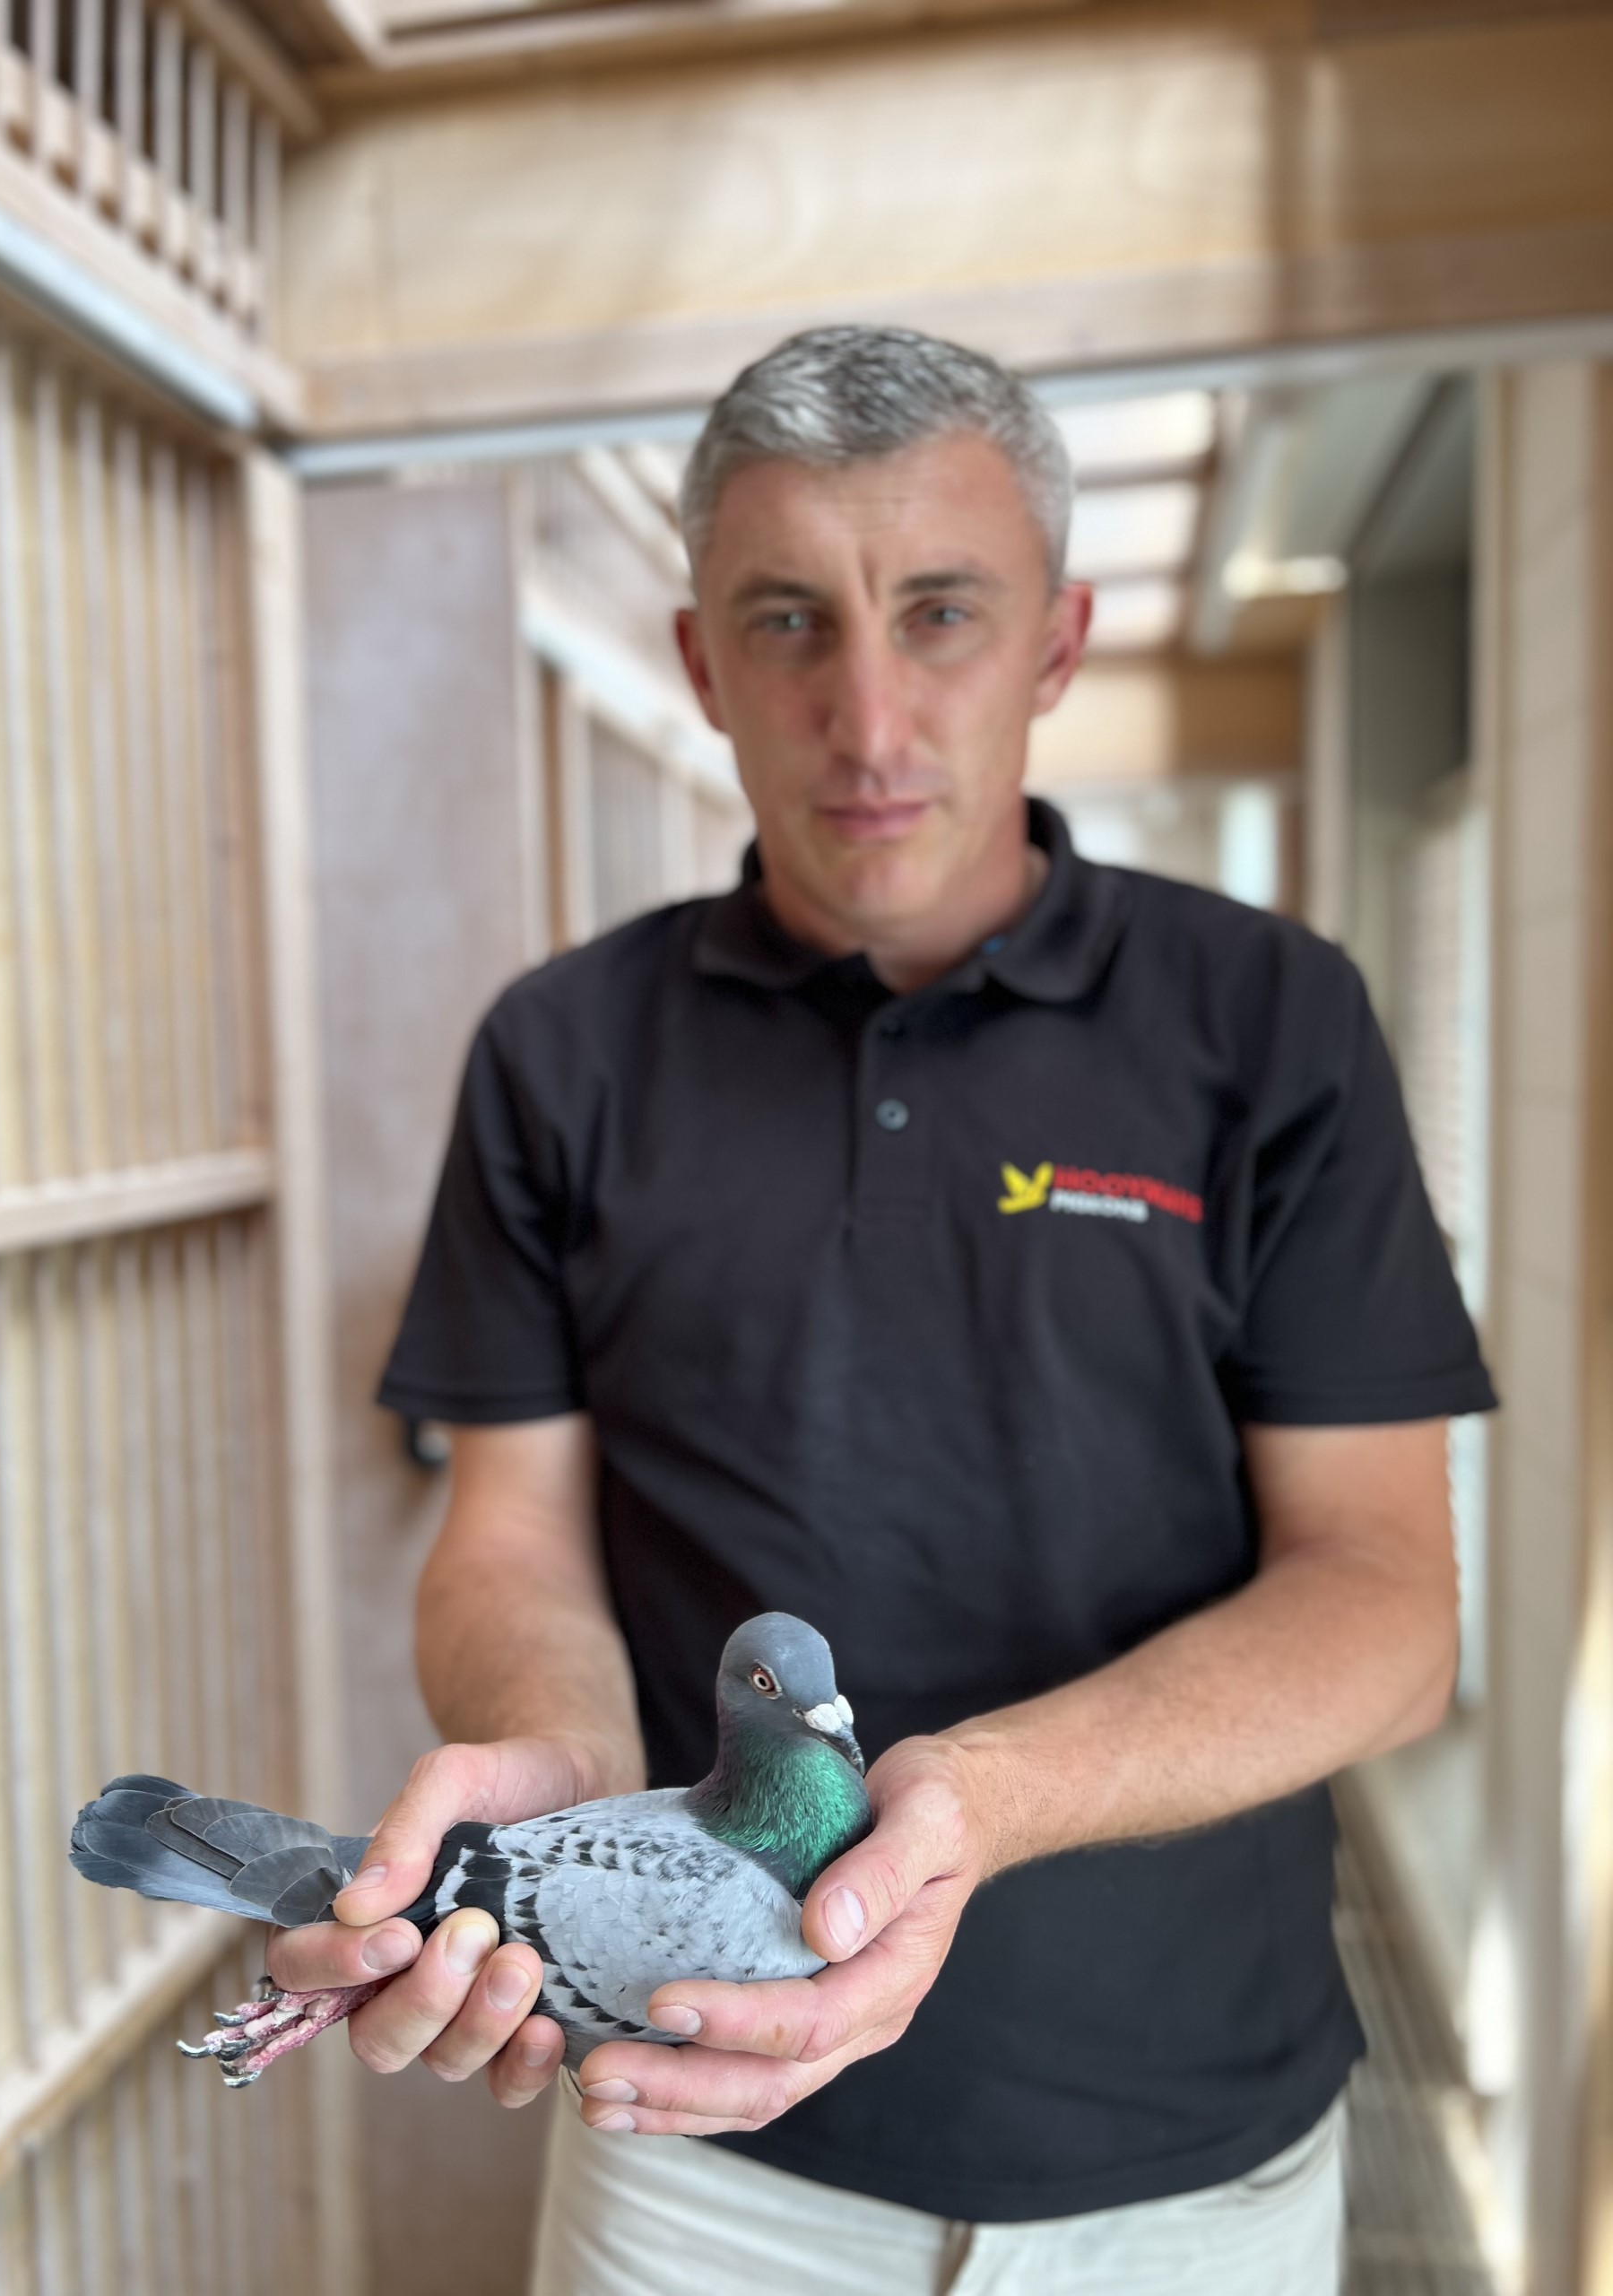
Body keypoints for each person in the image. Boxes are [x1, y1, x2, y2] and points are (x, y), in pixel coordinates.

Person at [268, 326, 1496, 2293]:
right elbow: (510, 1532)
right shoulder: (564, 1052)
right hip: (692, 2137)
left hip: (1190, 2155)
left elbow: (1386, 1602)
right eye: (789, 622)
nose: (866, 715)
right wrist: (559, 1749)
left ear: (1058, 641)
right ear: (702, 663)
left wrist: (980, 1798)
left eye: (940, 611)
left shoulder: (1275, 1023)